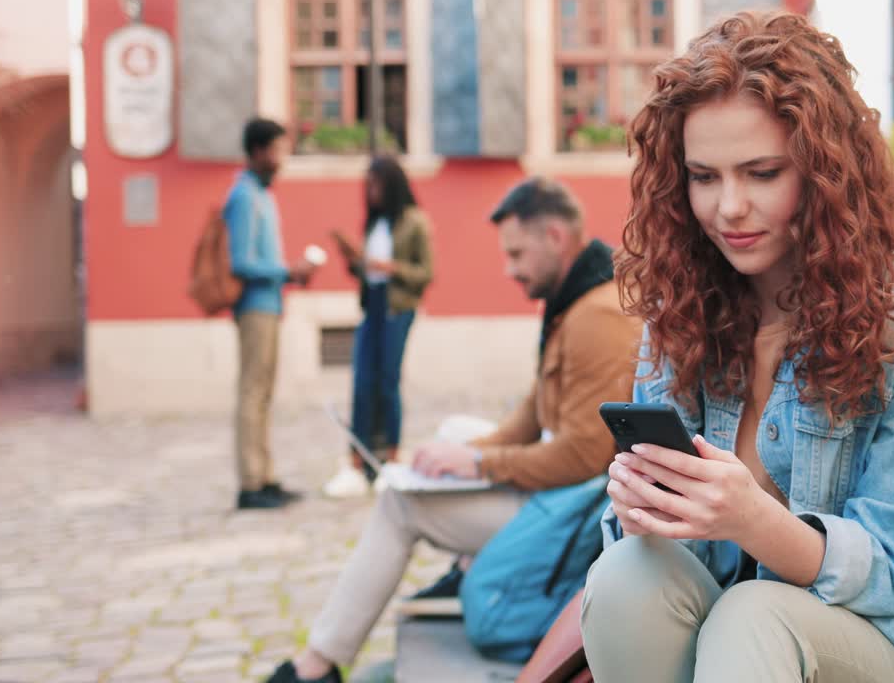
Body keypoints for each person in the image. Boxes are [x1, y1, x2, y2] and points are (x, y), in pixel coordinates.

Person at [580, 11, 894, 682]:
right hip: (731, 653)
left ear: (826, 170)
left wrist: (749, 518)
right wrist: (640, 510)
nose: (728, 208)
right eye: (704, 176)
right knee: (627, 574)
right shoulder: (679, 313)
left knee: (754, 615)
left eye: (762, 172)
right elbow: (657, 562)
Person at [266, 177, 642, 683]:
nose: (509, 269)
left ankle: (319, 664)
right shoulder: (575, 301)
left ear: (555, 236)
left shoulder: (596, 315)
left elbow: (582, 457)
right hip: (556, 493)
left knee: (400, 504)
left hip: (570, 508)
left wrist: (480, 465)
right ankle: (461, 567)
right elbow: (533, 413)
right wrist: (459, 456)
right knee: (454, 433)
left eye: (516, 254)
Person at [323, 156, 434, 498]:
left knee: (387, 381)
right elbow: (366, 272)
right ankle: (358, 459)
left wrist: (389, 267)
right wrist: (354, 261)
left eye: (376, 184)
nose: (370, 192)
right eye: (367, 185)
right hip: (371, 305)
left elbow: (425, 273)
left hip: (397, 308)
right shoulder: (374, 225)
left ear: (391, 184)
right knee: (361, 382)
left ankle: (391, 457)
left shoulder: (414, 222)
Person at [225, 118, 319, 511]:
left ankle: (264, 474)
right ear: (260, 151)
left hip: (270, 304)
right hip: (254, 306)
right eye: (278, 150)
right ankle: (250, 482)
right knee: (252, 393)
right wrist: (287, 270)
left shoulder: (263, 194)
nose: (282, 159)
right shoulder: (244, 196)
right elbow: (241, 262)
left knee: (263, 394)